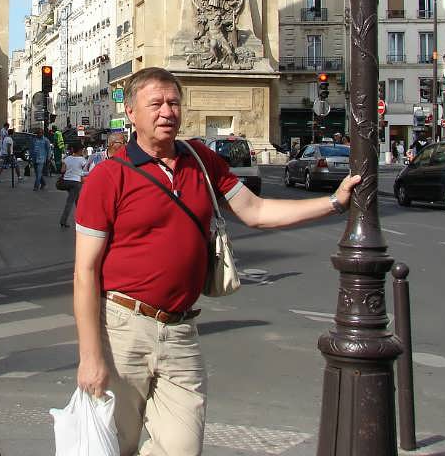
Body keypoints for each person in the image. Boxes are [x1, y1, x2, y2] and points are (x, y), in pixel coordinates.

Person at [73, 67, 360, 454]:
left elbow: (256, 211)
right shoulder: (108, 177)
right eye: (155, 104)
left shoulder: (201, 159)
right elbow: (85, 272)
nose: (167, 112)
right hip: (123, 328)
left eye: (173, 103)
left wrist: (333, 203)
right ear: (131, 113)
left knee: (182, 448)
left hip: (181, 330)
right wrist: (90, 357)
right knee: (114, 446)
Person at [58, 143, 88, 228]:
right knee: (70, 202)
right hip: (76, 183)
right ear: (80, 150)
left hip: (66, 182)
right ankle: (63, 220)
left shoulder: (67, 158)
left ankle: (82, 218)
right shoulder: (82, 160)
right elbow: (85, 171)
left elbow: (62, 170)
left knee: (78, 200)